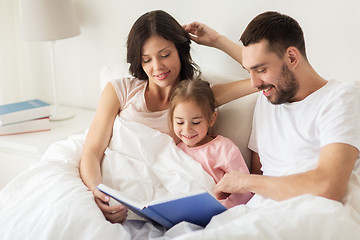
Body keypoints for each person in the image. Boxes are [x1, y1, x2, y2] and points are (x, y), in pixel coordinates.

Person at [79, 10, 256, 224]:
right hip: (116, 189)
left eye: (164, 55)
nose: (157, 67)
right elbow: (92, 151)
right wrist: (98, 193)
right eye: (147, 59)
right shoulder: (120, 90)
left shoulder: (197, 97)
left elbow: (259, 75)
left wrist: (219, 41)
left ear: (180, 50)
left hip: (160, 198)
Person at [184, 11, 360, 203]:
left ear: (292, 58)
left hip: (309, 209)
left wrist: (245, 181)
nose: (253, 83)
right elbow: (258, 174)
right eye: (249, 71)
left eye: (261, 70)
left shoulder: (341, 98)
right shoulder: (268, 99)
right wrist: (218, 40)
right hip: (258, 211)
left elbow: (329, 186)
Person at [168, 79, 253, 208]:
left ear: (211, 119)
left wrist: (220, 207)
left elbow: (244, 190)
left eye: (196, 122)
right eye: (180, 122)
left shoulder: (224, 149)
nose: (187, 130)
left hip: (218, 212)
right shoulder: (176, 151)